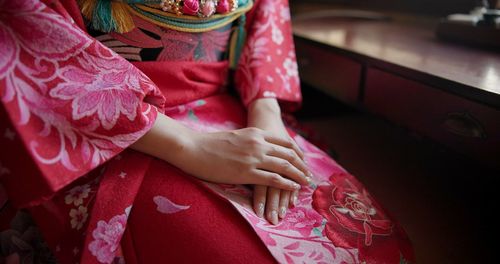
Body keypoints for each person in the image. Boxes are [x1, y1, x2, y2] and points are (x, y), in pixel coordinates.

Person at [0, 0, 414, 263]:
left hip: (235, 108)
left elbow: (267, 18)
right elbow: (26, 30)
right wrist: (186, 146)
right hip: (112, 123)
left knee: (364, 240)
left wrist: (267, 117)